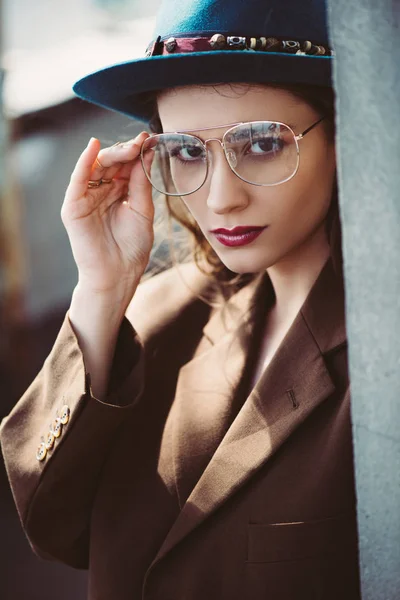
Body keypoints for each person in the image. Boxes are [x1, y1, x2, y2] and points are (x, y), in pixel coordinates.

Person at [0, 0, 361, 598]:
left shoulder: (381, 359)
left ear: (346, 138)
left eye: (263, 145)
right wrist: (102, 287)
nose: (221, 199)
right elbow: (54, 527)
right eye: (188, 151)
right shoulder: (151, 313)